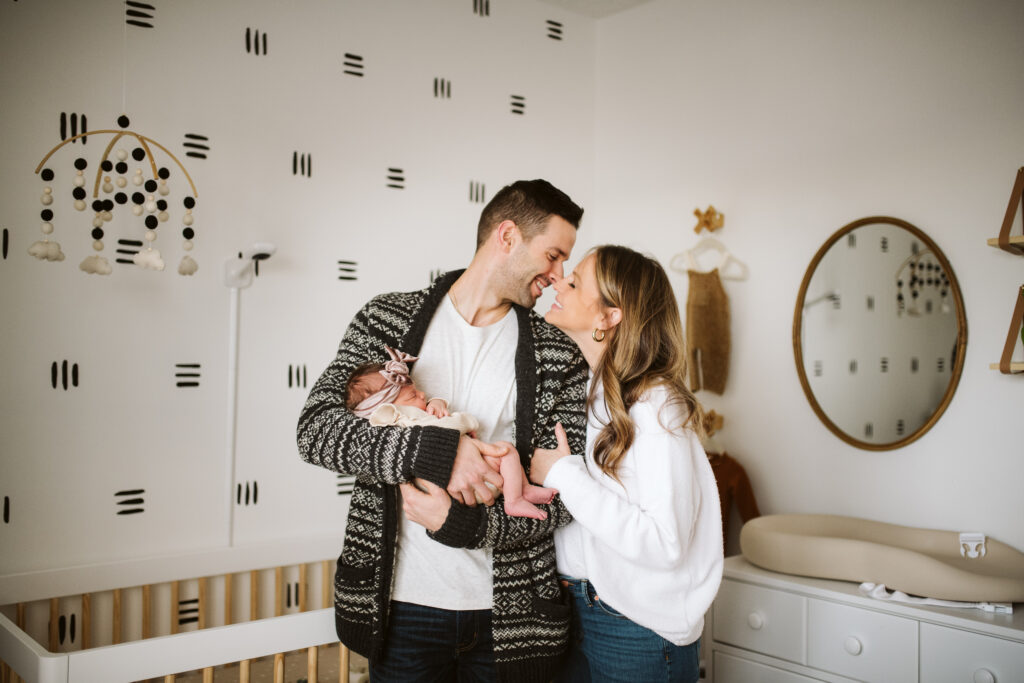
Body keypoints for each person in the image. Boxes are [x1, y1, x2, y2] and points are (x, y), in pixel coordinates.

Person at [297, 179, 588, 682]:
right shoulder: (387, 318)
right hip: (402, 607)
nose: (559, 277)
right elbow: (316, 430)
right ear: (507, 236)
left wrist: (465, 525)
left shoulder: (559, 353)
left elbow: (564, 495)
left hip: (509, 622)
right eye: (554, 255)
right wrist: (435, 452)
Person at [529, 245, 724, 683]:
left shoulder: (656, 406)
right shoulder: (591, 393)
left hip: (636, 628)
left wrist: (561, 473)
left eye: (575, 282)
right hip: (579, 610)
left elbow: (663, 543)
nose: (558, 282)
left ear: (609, 317)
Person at [345, 345, 559, 520]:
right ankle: (515, 498)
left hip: (462, 485)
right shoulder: (407, 421)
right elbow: (450, 429)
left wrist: (436, 402)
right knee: (506, 451)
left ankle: (523, 490)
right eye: (412, 396)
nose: (422, 395)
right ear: (387, 409)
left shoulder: (402, 422)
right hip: (472, 484)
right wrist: (466, 421)